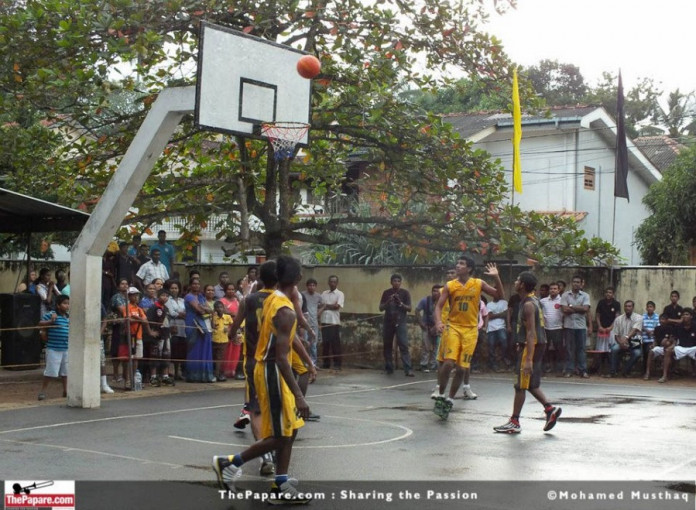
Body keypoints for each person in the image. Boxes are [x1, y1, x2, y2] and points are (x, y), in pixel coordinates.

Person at [212, 256, 312, 504]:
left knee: (291, 428)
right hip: (271, 370)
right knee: (281, 434)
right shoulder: (285, 309)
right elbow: (280, 357)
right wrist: (299, 396)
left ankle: (281, 482)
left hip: (266, 367)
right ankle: (229, 463)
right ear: (297, 279)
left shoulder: (272, 298)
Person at [432, 255, 503, 419]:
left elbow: (499, 295)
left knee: (462, 368)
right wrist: (437, 322)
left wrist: (496, 277)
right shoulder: (450, 285)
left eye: (461, 264)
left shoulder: (478, 283)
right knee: (448, 362)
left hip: (471, 330)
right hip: (453, 327)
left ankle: (449, 399)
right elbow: (439, 306)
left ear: (469, 268)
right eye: (457, 263)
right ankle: (441, 394)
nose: (458, 265)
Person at [493, 272, 562, 434]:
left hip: (532, 345)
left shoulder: (528, 305)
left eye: (517, 280)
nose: (515, 282)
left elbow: (531, 333)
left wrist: (528, 359)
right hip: (534, 344)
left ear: (522, 285)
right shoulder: (533, 300)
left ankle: (514, 421)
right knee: (529, 383)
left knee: (520, 385)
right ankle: (549, 409)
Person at [227, 260, 278, 476]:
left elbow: (233, 329)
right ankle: (272, 449)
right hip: (275, 360)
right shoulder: (280, 300)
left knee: (255, 408)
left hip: (253, 360)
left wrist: (234, 336)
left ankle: (265, 456)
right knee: (274, 407)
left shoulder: (248, 300)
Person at [379, 274, 414, 376]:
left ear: (401, 282)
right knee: (387, 345)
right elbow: (381, 308)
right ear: (391, 282)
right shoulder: (386, 293)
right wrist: (389, 301)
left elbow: (409, 308)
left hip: (400, 322)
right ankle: (389, 368)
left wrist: (400, 303)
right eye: (394, 281)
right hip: (388, 322)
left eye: (398, 281)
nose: (396, 283)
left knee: (403, 345)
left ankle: (408, 369)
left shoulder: (405, 293)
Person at [649, 307, 696, 383]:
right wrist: (672, 345)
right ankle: (664, 376)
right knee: (668, 350)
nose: (685, 316)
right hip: (681, 347)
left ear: (691, 316)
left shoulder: (695, 326)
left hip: (693, 348)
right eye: (683, 315)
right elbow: (674, 338)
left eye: (687, 314)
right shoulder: (678, 326)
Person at [37, 295, 70, 400]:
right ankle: (43, 391)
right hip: (53, 348)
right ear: (58, 305)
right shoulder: (52, 315)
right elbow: (40, 323)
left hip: (65, 347)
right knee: (51, 371)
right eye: (64, 303)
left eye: (68, 303)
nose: (67, 306)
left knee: (65, 371)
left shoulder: (68, 317)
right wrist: (51, 322)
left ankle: (66, 390)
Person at [184, 278, 215, 383]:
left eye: (198, 284)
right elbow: (200, 310)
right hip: (192, 324)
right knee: (193, 349)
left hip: (203, 324)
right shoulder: (188, 296)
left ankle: (205, 375)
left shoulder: (201, 296)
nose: (196, 286)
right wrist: (204, 309)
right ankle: (193, 375)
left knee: (204, 347)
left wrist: (204, 308)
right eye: (194, 284)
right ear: (190, 285)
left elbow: (209, 310)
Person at [561, 275, 590, 378]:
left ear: (581, 283)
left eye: (578, 282)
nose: (576, 284)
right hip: (569, 326)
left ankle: (583, 370)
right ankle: (569, 370)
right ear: (571, 283)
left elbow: (585, 309)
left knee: (581, 349)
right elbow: (564, 310)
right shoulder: (565, 295)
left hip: (581, 326)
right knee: (569, 349)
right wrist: (579, 309)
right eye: (574, 282)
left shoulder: (585, 295)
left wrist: (571, 307)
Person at [606, 300, 643, 378]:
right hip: (621, 342)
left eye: (629, 306)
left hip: (634, 342)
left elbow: (635, 329)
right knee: (613, 349)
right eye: (626, 306)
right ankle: (613, 371)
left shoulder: (639, 317)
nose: (627, 308)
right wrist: (621, 343)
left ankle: (626, 371)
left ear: (633, 308)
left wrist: (626, 338)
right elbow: (616, 335)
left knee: (637, 353)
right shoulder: (618, 319)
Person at [318, 275, 344, 370]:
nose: (332, 283)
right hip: (324, 321)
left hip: (334, 322)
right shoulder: (324, 293)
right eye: (331, 282)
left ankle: (337, 364)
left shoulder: (340, 294)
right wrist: (327, 306)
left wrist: (325, 306)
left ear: (337, 283)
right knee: (325, 344)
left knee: (335, 344)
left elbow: (337, 307)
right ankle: (326, 364)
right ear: (328, 283)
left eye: (334, 282)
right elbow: (319, 305)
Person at [593, 287, 621, 374]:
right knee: (600, 350)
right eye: (606, 292)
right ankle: (600, 369)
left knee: (610, 350)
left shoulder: (616, 304)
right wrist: (600, 326)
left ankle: (611, 369)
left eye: (610, 292)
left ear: (613, 294)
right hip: (602, 329)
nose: (608, 294)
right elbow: (597, 315)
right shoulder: (601, 302)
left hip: (611, 330)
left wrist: (611, 327)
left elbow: (617, 317)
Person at [415, 285, 441, 373]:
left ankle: (434, 365)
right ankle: (424, 365)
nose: (435, 293)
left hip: (438, 327)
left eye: (438, 291)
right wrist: (421, 323)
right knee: (426, 346)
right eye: (434, 290)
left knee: (436, 347)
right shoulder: (425, 300)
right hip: (426, 327)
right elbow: (417, 310)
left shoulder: (443, 301)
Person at [540, 282, 564, 376]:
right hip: (546, 328)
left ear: (558, 290)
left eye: (555, 289)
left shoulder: (562, 301)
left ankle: (559, 370)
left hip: (558, 328)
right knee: (544, 349)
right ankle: (544, 369)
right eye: (551, 289)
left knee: (559, 349)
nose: (553, 290)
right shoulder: (543, 301)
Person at [301, 278, 323, 367]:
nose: (312, 287)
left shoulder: (318, 296)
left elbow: (322, 306)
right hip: (304, 323)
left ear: (316, 287)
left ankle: (313, 363)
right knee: (305, 343)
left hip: (314, 323)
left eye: (313, 285)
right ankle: (305, 362)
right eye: (310, 285)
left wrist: (318, 318)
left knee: (313, 344)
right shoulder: (302, 295)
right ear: (307, 286)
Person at [486, 293, 508, 373]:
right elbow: (490, 316)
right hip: (491, 328)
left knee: (504, 341)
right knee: (491, 345)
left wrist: (494, 315)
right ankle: (493, 364)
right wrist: (500, 314)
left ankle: (501, 358)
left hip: (501, 327)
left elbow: (506, 314)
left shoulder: (504, 303)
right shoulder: (489, 304)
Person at [211, 301, 233, 382]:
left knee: (220, 358)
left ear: (223, 308)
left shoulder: (227, 317)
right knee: (214, 357)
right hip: (214, 339)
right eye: (217, 308)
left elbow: (232, 325)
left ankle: (217, 374)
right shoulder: (214, 317)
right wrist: (213, 316)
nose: (219, 309)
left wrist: (229, 329)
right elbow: (212, 326)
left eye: (221, 307)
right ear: (215, 309)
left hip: (224, 340)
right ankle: (216, 373)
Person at [641, 301, 659, 374]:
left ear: (654, 308)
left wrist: (652, 331)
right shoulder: (643, 317)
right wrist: (646, 330)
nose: (649, 308)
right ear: (646, 308)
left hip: (653, 340)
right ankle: (645, 370)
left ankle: (648, 371)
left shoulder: (657, 317)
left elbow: (659, 328)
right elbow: (640, 326)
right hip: (644, 339)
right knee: (645, 352)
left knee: (648, 351)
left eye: (651, 307)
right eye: (648, 307)